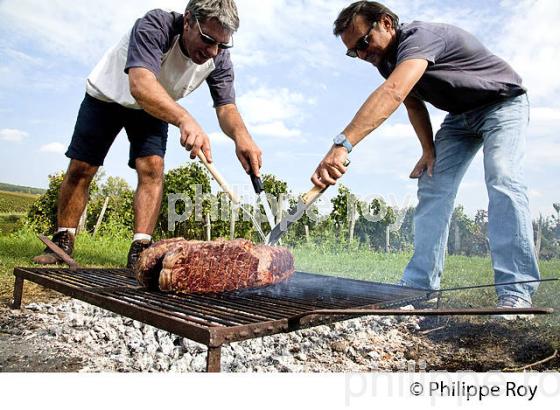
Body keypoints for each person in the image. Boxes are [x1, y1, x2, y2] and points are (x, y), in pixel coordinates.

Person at [311, 1, 540, 317]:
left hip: (501, 104)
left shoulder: (420, 37)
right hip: (460, 118)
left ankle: (516, 293)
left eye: (363, 42)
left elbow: (393, 92)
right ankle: (421, 287)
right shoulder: (386, 60)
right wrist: (428, 151)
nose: (362, 55)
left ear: (387, 23)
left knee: (502, 176)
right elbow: (413, 104)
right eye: (354, 52)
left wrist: (342, 145)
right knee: (432, 185)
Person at [32, 0, 262, 268]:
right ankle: (62, 241)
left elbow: (227, 108)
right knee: (83, 167)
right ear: (188, 21)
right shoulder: (156, 26)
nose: (213, 51)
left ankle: (141, 250)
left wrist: (241, 137)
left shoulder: (218, 56)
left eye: (222, 44)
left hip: (155, 105)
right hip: (111, 95)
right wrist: (184, 118)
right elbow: (140, 85)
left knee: (152, 167)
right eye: (208, 39)